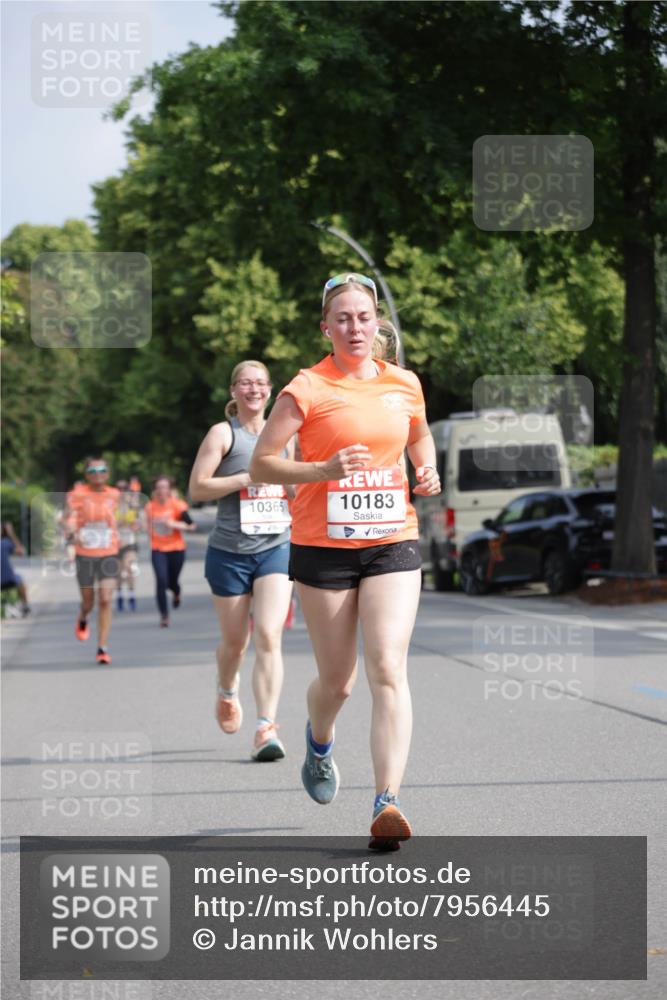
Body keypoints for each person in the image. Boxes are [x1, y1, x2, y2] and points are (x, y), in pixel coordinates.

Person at [250, 273, 440, 849]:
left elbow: (419, 437)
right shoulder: (305, 388)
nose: (355, 328)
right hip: (323, 546)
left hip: (392, 540)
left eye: (363, 317)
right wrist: (323, 470)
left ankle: (387, 801)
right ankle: (319, 738)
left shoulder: (404, 383)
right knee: (339, 682)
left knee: (388, 667)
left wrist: (427, 469)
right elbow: (262, 463)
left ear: (377, 322)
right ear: (326, 328)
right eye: (343, 319)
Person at [189, 360, 294, 763]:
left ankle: (266, 727)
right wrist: (246, 478)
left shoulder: (285, 433)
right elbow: (198, 488)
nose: (254, 389)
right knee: (236, 643)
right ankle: (227, 688)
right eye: (246, 383)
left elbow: (296, 486)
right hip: (229, 553)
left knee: (269, 634)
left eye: (260, 383)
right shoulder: (223, 434)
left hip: (276, 547)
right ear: (234, 390)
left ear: (270, 390)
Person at [64, 458, 121, 665]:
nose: (98, 473)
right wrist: (72, 530)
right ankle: (83, 616)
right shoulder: (77, 494)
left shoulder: (115, 495)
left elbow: (124, 518)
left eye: (102, 469)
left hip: (109, 552)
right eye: (93, 470)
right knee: (88, 601)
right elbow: (69, 518)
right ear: (87, 474)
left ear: (108, 473)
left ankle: (102, 647)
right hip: (85, 553)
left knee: (105, 599)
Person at [143, 476, 195, 627]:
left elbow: (191, 526)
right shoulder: (150, 507)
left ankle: (176, 592)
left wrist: (174, 524)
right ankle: (164, 615)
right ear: (154, 490)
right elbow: (147, 526)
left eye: (164, 487)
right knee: (161, 581)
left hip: (177, 549)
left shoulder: (178, 505)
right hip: (158, 549)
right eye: (158, 487)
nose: (161, 490)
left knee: (172, 582)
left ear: (169, 490)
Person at [115, 480, 140, 612]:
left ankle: (131, 595)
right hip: (116, 543)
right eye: (119, 489)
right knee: (119, 573)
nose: (122, 492)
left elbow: (138, 525)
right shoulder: (112, 506)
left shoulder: (133, 507)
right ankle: (119, 595)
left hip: (130, 542)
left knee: (129, 569)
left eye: (124, 489)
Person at [1, 521, 30, 616]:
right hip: (9, 579)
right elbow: (22, 551)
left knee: (19, 579)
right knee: (21, 582)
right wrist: (11, 534)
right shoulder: (5, 543)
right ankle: (25, 606)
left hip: (7, 578)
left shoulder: (4, 543)